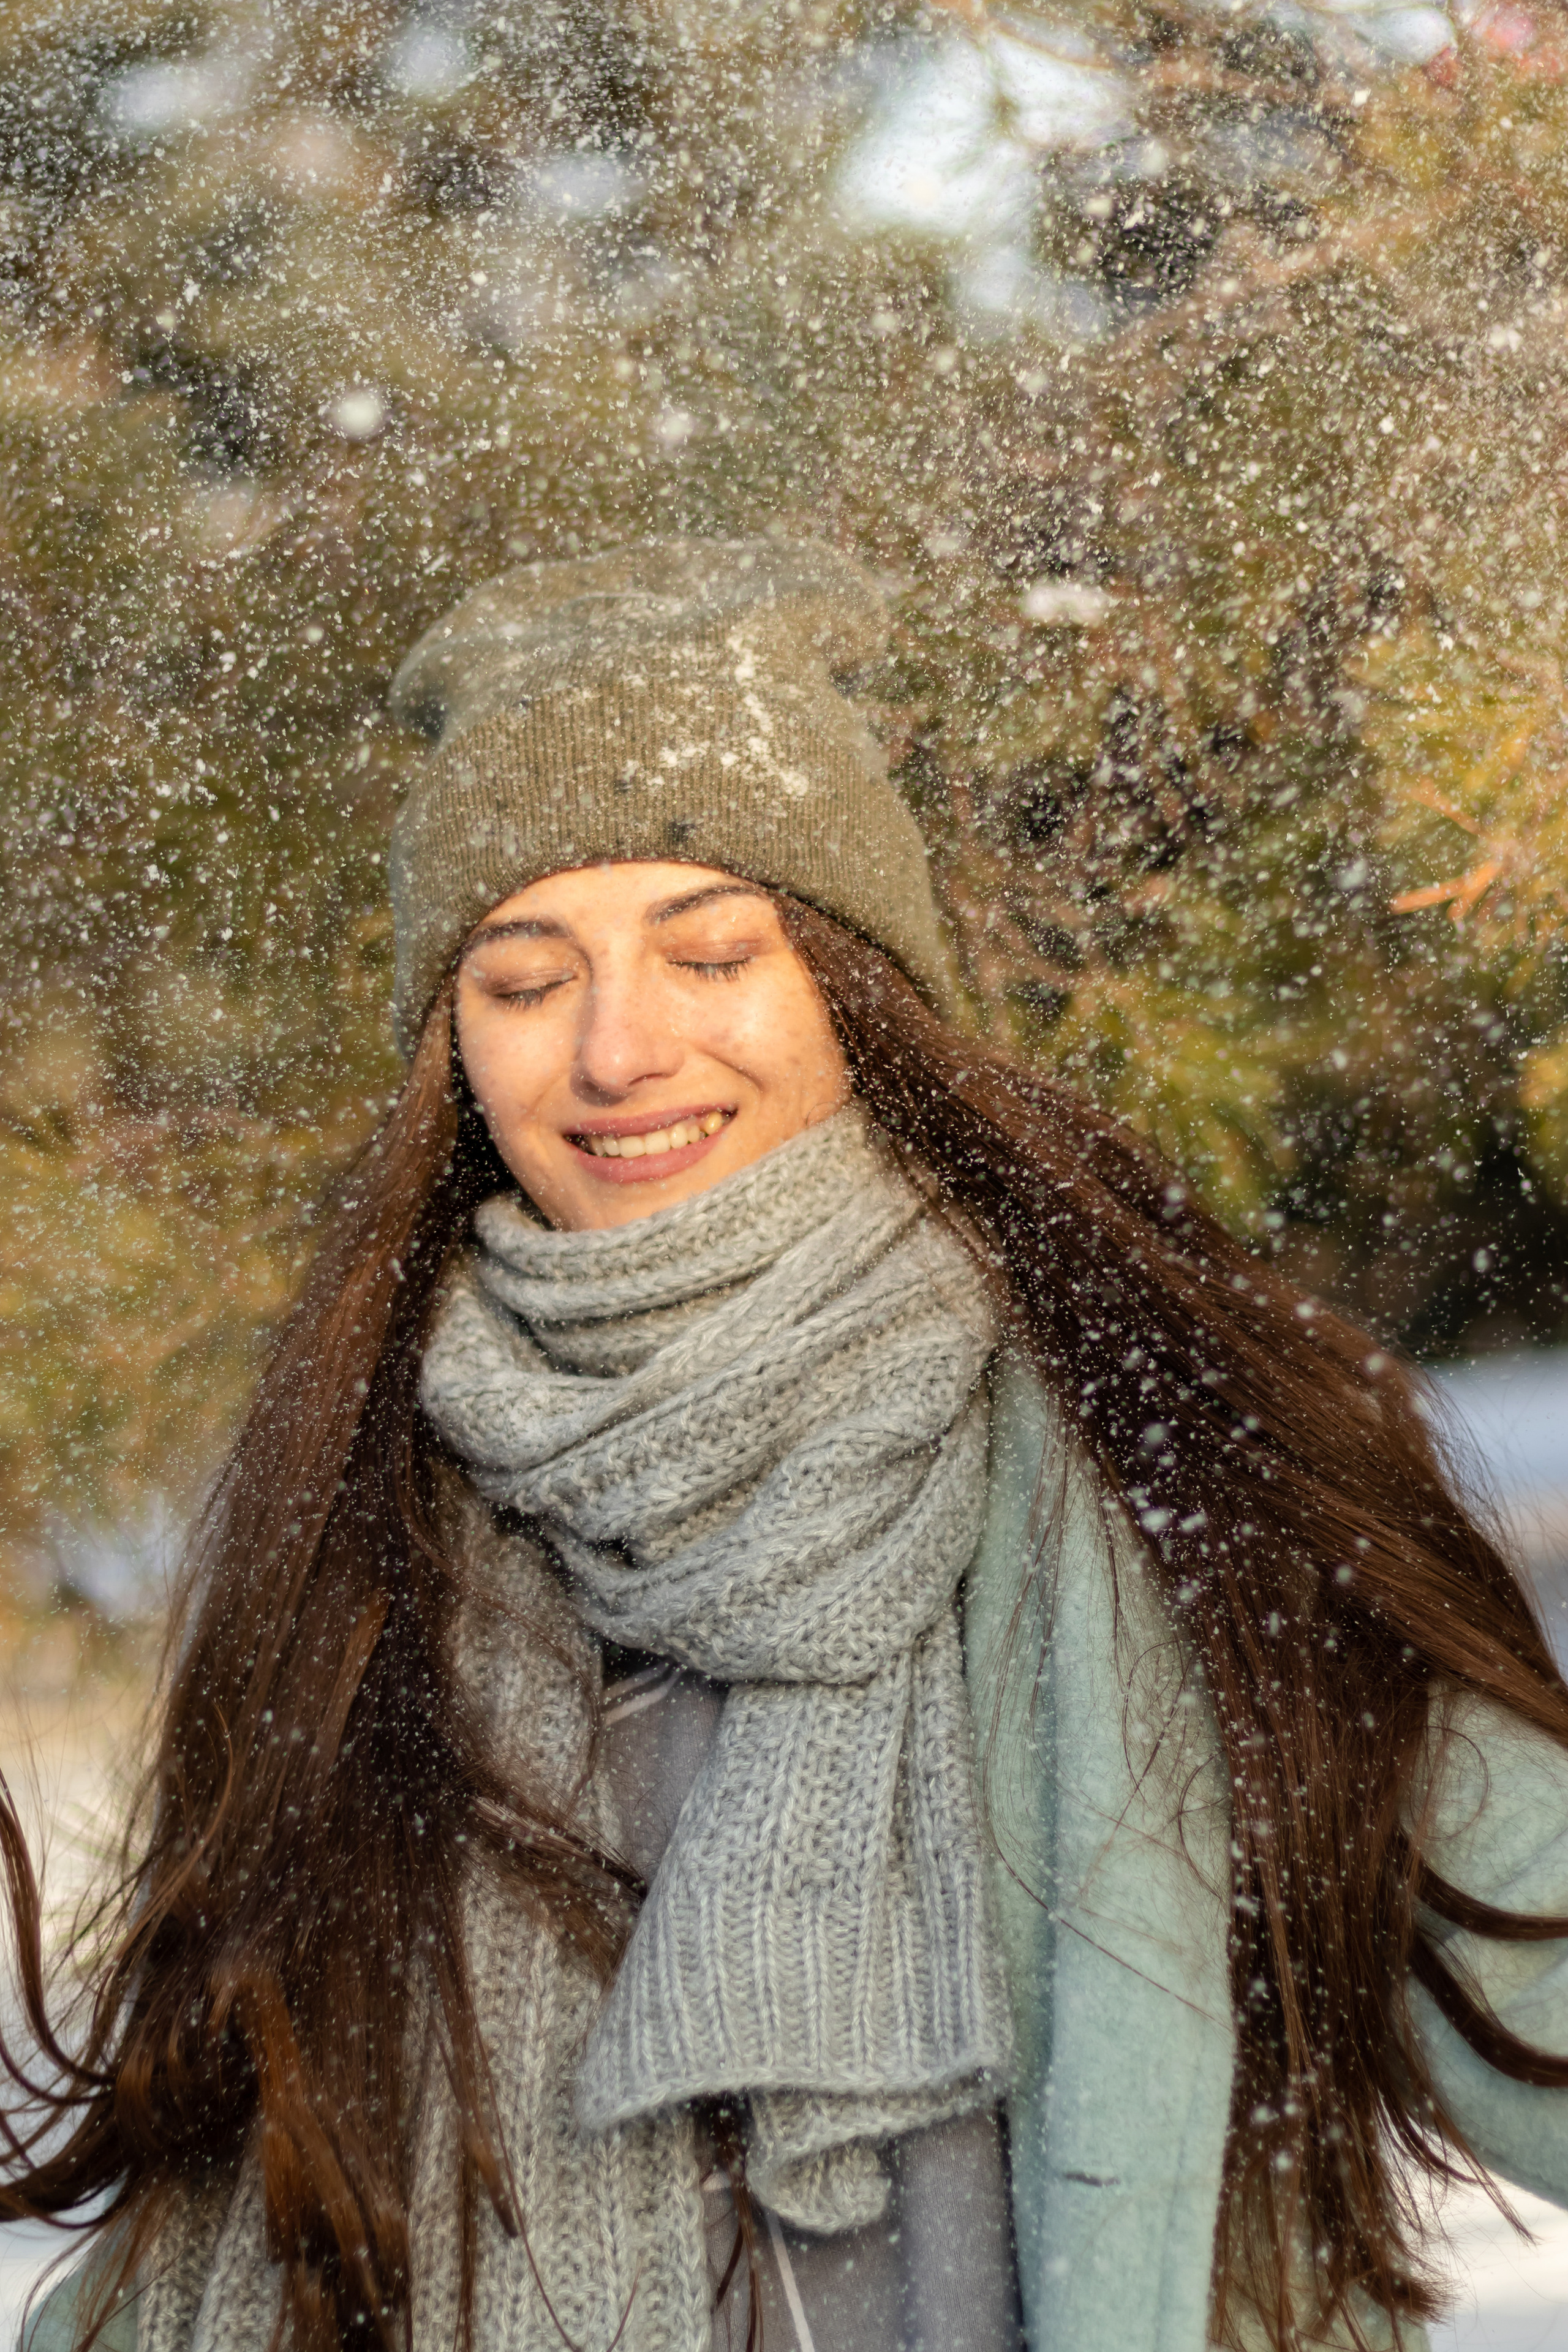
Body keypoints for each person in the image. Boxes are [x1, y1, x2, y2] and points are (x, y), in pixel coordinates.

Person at [9, 538, 1568, 2352]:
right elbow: (229, 2204)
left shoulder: (1168, 1481)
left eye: (711, 952)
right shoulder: (363, 1545)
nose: (617, 1049)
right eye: (522, 982)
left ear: (850, 983)